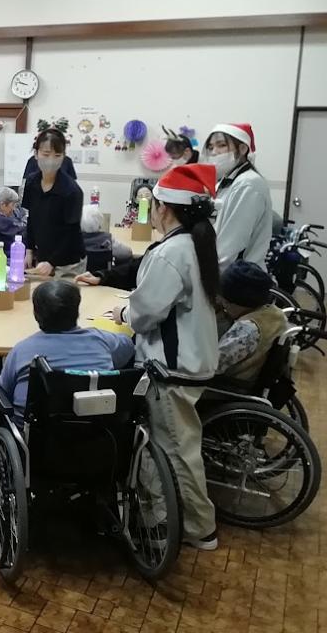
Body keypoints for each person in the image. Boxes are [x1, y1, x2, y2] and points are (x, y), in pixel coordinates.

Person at [111, 163, 221, 551]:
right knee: (181, 445)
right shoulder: (196, 244)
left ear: (165, 209)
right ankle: (186, 521)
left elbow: (145, 314)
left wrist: (124, 313)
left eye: (155, 205)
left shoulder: (172, 252)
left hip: (172, 368)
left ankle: (198, 529)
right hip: (196, 358)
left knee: (176, 451)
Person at [0, 280, 134, 421]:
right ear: (76, 311)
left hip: (34, 431)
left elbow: (5, 391)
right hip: (99, 429)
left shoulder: (22, 351)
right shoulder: (102, 341)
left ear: (36, 313)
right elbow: (129, 346)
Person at [204, 123, 272, 270]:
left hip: (238, 275)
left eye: (221, 145)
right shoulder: (225, 181)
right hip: (224, 269)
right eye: (210, 147)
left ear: (242, 149)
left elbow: (229, 248)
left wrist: (207, 275)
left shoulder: (248, 184)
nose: (214, 152)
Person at [22, 127, 86, 278]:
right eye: (46, 154)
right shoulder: (31, 182)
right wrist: (29, 249)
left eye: (57, 155)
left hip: (69, 262)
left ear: (64, 157)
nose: (51, 160)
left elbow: (71, 233)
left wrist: (52, 262)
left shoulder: (72, 191)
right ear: (36, 154)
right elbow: (31, 219)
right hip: (43, 257)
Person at [216, 261, 287, 386]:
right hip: (255, 379)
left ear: (240, 302)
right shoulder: (276, 314)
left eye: (226, 302)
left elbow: (212, 366)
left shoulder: (247, 330)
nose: (224, 306)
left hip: (229, 386)